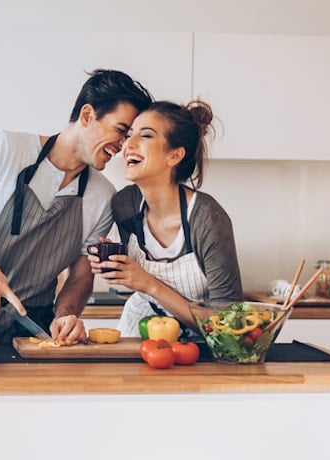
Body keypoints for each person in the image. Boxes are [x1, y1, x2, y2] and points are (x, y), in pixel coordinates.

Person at [0, 69, 154, 343]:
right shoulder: (6, 149)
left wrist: (65, 315)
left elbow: (80, 277)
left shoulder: (102, 196)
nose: (125, 146)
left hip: (36, 328)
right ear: (88, 115)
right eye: (121, 131)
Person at [88, 99, 242, 336]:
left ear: (175, 155)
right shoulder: (125, 203)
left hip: (201, 344)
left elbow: (227, 325)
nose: (128, 144)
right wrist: (114, 261)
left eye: (146, 136)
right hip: (140, 328)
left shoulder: (208, 219)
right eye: (129, 135)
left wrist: (147, 283)